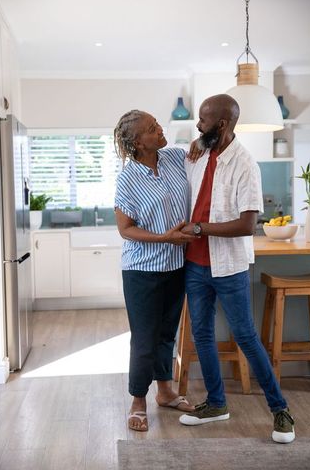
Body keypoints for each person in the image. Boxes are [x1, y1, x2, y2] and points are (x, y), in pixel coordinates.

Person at [178, 94, 295, 444]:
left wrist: (200, 229)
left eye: (203, 120)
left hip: (228, 266)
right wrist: (196, 142)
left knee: (245, 337)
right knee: (201, 336)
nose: (198, 125)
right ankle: (216, 404)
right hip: (195, 265)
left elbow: (247, 224)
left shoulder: (245, 164)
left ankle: (280, 410)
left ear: (223, 124)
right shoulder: (200, 155)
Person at [114, 109, 196, 432]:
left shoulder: (175, 158)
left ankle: (164, 391)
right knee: (144, 338)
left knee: (166, 334)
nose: (160, 128)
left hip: (176, 266)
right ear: (138, 142)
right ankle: (138, 400)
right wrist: (165, 237)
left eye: (157, 122)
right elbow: (125, 229)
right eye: (152, 128)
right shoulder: (128, 179)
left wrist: (201, 142)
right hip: (142, 271)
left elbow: (199, 152)